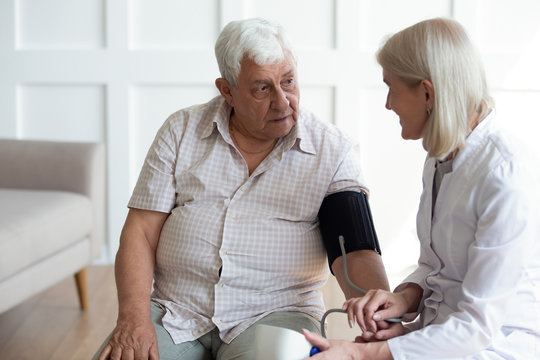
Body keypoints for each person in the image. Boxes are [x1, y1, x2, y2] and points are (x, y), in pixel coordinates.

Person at [94, 17, 390, 360]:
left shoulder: (332, 150)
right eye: (262, 88)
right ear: (227, 91)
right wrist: (133, 318)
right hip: (178, 311)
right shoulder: (181, 130)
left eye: (289, 81)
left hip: (276, 313)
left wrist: (383, 316)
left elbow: (354, 248)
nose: (283, 101)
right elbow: (141, 232)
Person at [303, 17, 540, 359]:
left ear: (427, 93)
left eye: (391, 87)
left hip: (497, 348)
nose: (387, 104)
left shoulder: (505, 176)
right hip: (447, 338)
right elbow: (435, 266)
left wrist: (367, 354)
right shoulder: (440, 158)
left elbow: (476, 327)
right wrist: (403, 298)